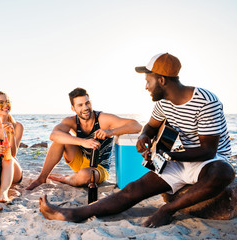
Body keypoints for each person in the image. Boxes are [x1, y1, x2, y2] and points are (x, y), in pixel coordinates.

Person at [39, 53, 235, 227]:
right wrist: (144, 137)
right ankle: (73, 213)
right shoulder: (163, 104)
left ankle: (167, 210)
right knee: (133, 188)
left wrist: (168, 155)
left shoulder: (206, 101)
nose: (146, 87)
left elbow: (208, 150)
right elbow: (149, 126)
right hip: (176, 159)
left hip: (208, 160)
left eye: (148, 81)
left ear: (162, 80)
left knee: (223, 172)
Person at [27, 87, 142, 190]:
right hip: (80, 160)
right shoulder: (71, 121)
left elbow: (137, 126)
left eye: (87, 103)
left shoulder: (103, 118)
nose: (86, 108)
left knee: (86, 176)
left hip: (99, 167)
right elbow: (54, 135)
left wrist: (110, 131)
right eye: (80, 105)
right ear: (73, 108)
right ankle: (42, 178)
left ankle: (67, 179)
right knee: (59, 140)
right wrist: (83, 142)